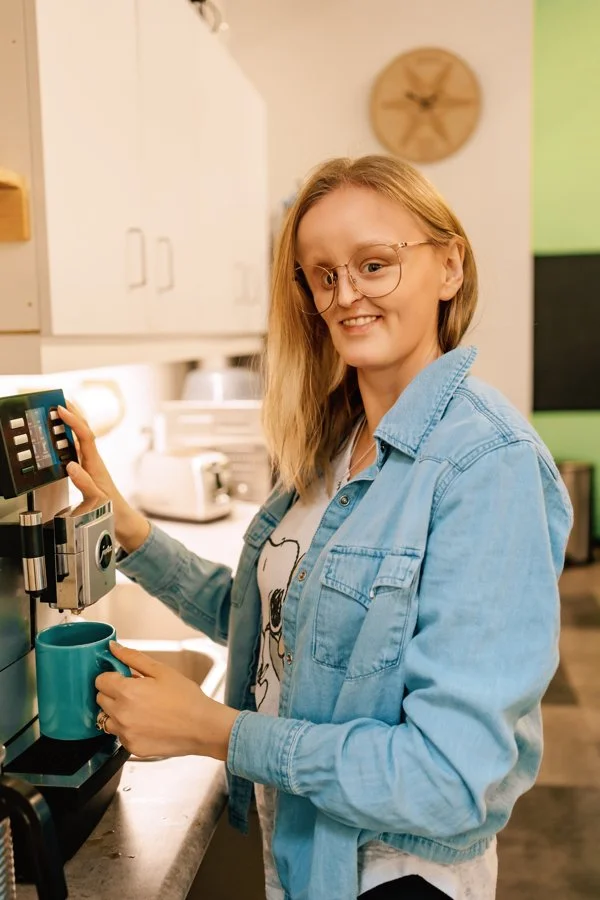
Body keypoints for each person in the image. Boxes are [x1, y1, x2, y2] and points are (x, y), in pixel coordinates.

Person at [60, 155, 573, 900]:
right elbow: (284, 624)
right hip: (302, 849)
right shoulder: (334, 443)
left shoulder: (486, 465)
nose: (345, 295)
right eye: (322, 274)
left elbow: (449, 779)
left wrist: (215, 732)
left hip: (395, 875)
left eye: (374, 264)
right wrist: (135, 536)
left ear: (450, 266)